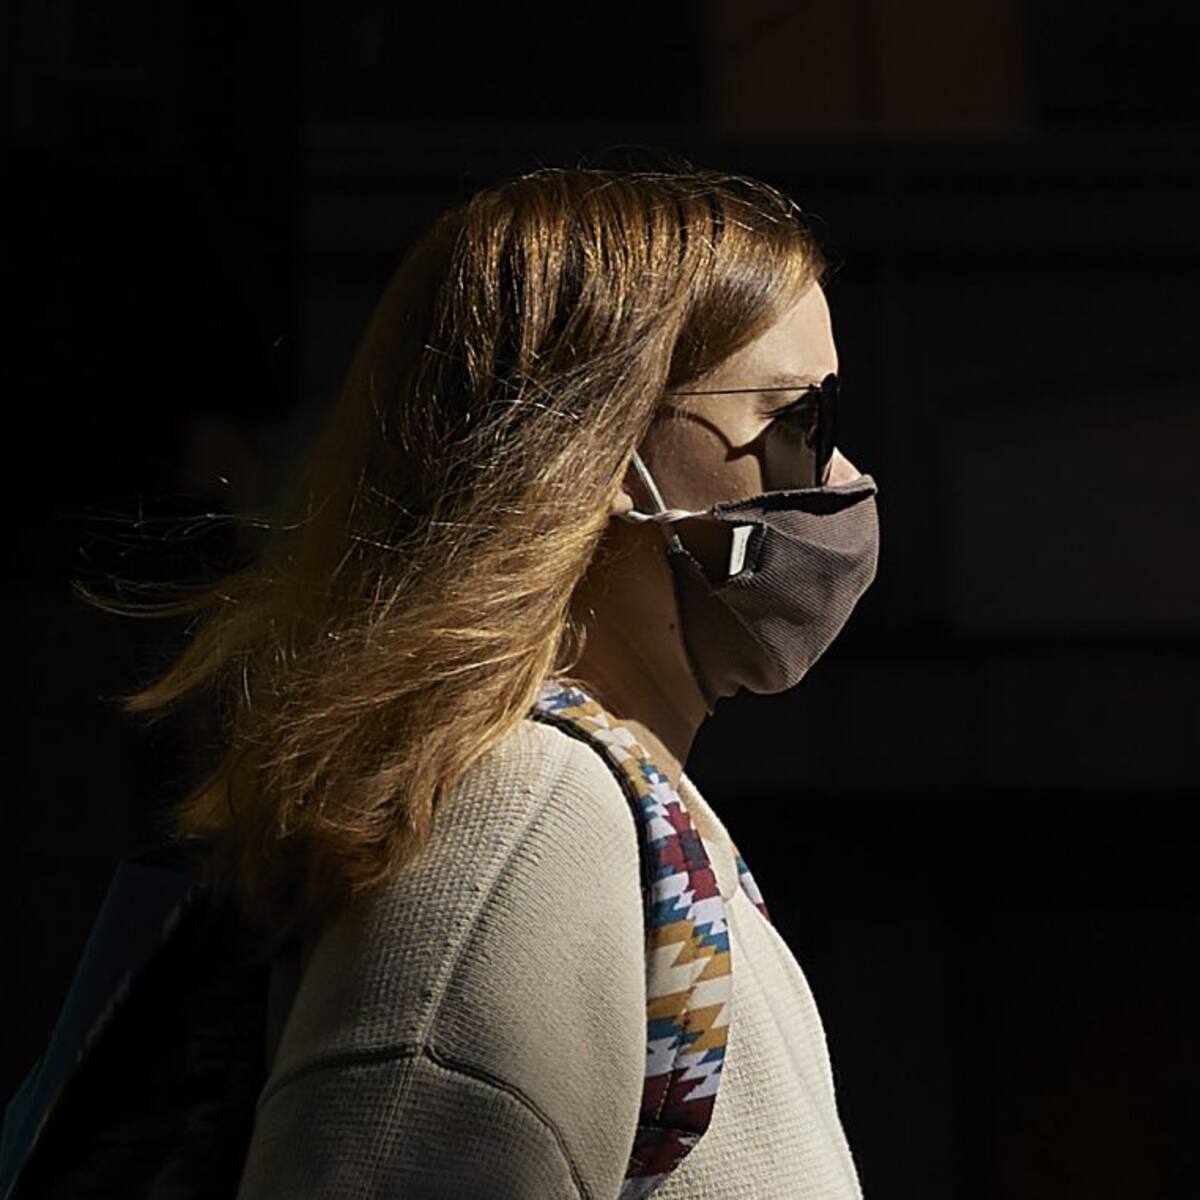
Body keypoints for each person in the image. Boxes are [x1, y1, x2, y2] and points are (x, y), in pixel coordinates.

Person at [67, 162, 879, 1197]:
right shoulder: (527, 823)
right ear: (598, 452)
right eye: (801, 420)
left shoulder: (627, 822)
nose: (846, 478)